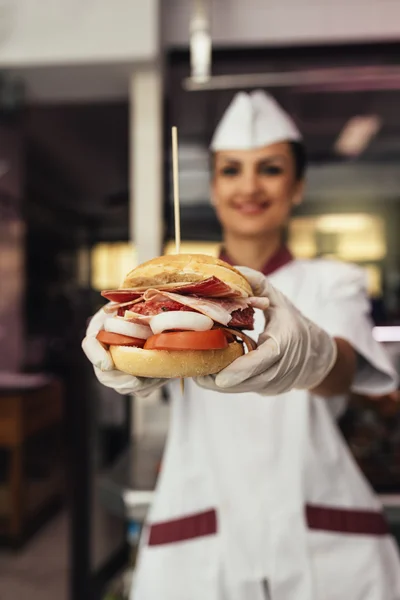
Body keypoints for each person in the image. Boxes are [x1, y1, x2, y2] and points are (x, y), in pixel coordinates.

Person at [83, 91, 400, 599]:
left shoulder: (333, 280)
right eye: (231, 170)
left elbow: (345, 371)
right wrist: (128, 332)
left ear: (296, 187)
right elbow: (146, 362)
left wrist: (312, 354)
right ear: (212, 187)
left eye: (270, 169)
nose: (249, 185)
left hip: (323, 533)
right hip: (199, 531)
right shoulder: (169, 288)